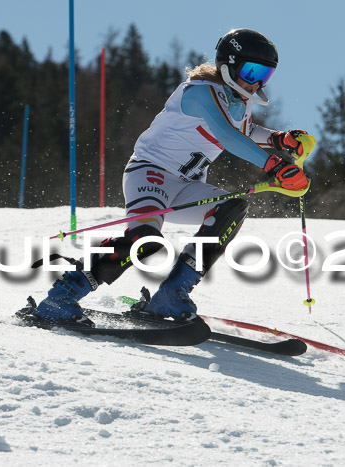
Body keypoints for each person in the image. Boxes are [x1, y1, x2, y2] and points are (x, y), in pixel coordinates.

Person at [22, 28, 311, 326]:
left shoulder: (239, 101)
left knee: (231, 208)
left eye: (265, 75)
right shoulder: (199, 92)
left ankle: (172, 294)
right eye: (252, 72)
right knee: (144, 242)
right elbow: (227, 135)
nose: (257, 83)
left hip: (186, 186)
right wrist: (275, 165)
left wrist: (280, 138)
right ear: (229, 64)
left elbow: (245, 130)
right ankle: (62, 296)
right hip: (150, 174)